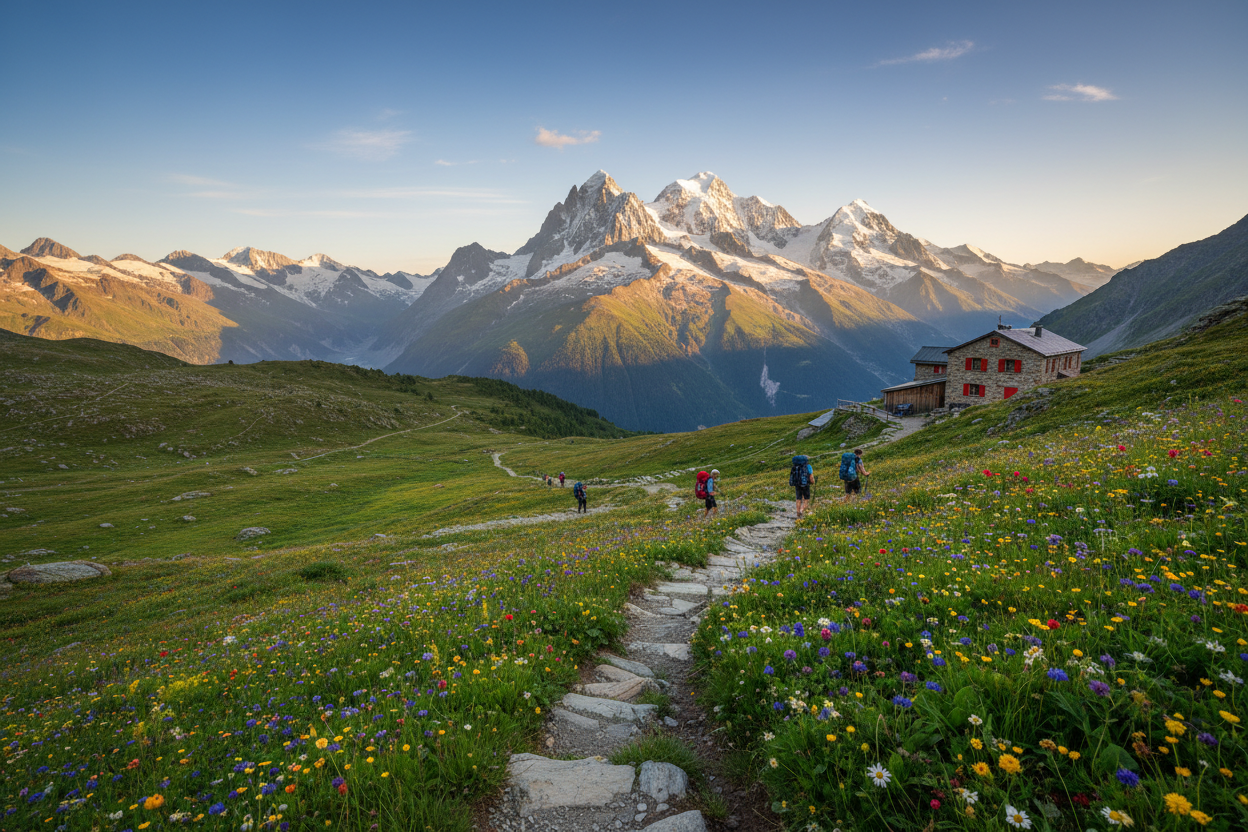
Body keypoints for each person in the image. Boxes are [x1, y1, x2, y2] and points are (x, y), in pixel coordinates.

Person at [791, 455, 813, 519]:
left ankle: (798, 513)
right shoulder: (808, 466)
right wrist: (812, 482)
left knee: (798, 498)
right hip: (806, 485)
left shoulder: (794, 467)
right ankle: (802, 510)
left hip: (797, 485)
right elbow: (811, 477)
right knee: (806, 498)